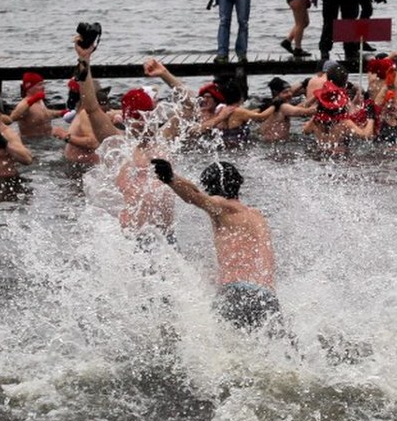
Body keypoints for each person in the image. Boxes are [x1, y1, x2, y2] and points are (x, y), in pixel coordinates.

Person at [150, 158, 285, 334]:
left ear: (209, 189)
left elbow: (195, 196)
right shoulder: (257, 216)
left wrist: (170, 178)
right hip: (267, 299)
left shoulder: (222, 207)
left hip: (236, 294)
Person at [73, 43, 176, 241]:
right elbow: (91, 107)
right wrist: (84, 59)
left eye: (145, 116)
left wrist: (165, 75)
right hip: (131, 240)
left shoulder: (166, 138)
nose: (141, 123)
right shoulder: (118, 144)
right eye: (136, 118)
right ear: (126, 119)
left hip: (166, 238)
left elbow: (190, 105)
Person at [10, 72, 61, 138]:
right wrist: (31, 101)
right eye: (39, 85)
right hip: (31, 142)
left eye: (43, 84)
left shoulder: (39, 101)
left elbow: (44, 113)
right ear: (29, 87)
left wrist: (62, 113)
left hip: (47, 139)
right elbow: (13, 117)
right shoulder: (24, 104)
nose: (43, 87)